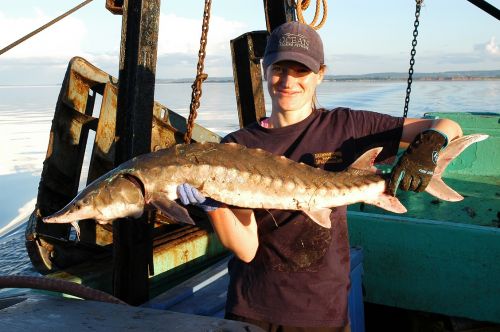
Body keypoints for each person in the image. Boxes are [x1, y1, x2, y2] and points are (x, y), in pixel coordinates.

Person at [177, 21, 462, 332]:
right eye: (279, 67)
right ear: (264, 68)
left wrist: (432, 145)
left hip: (323, 309)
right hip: (253, 307)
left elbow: (446, 125)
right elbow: (245, 248)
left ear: (320, 75)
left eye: (301, 71)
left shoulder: (347, 126)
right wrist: (213, 206)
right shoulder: (237, 146)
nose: (288, 80)